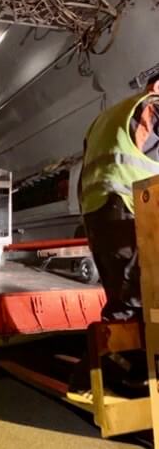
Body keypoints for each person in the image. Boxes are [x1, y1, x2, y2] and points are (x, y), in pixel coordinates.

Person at [68, 68, 159, 393]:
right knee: (139, 298)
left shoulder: (105, 118)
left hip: (98, 211)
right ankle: (98, 374)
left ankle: (122, 373)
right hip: (125, 210)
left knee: (125, 300)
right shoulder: (153, 105)